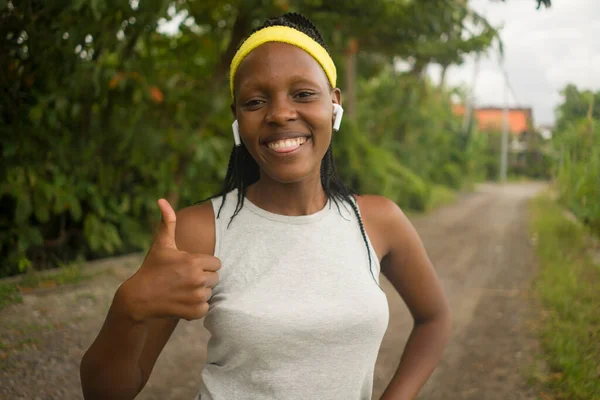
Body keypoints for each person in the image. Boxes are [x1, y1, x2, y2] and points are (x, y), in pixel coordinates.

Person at [80, 12, 451, 400]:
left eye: (303, 94)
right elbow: (105, 393)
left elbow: (435, 319)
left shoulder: (378, 221)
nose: (279, 114)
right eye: (255, 101)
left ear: (334, 104)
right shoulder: (201, 230)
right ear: (238, 119)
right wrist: (128, 307)